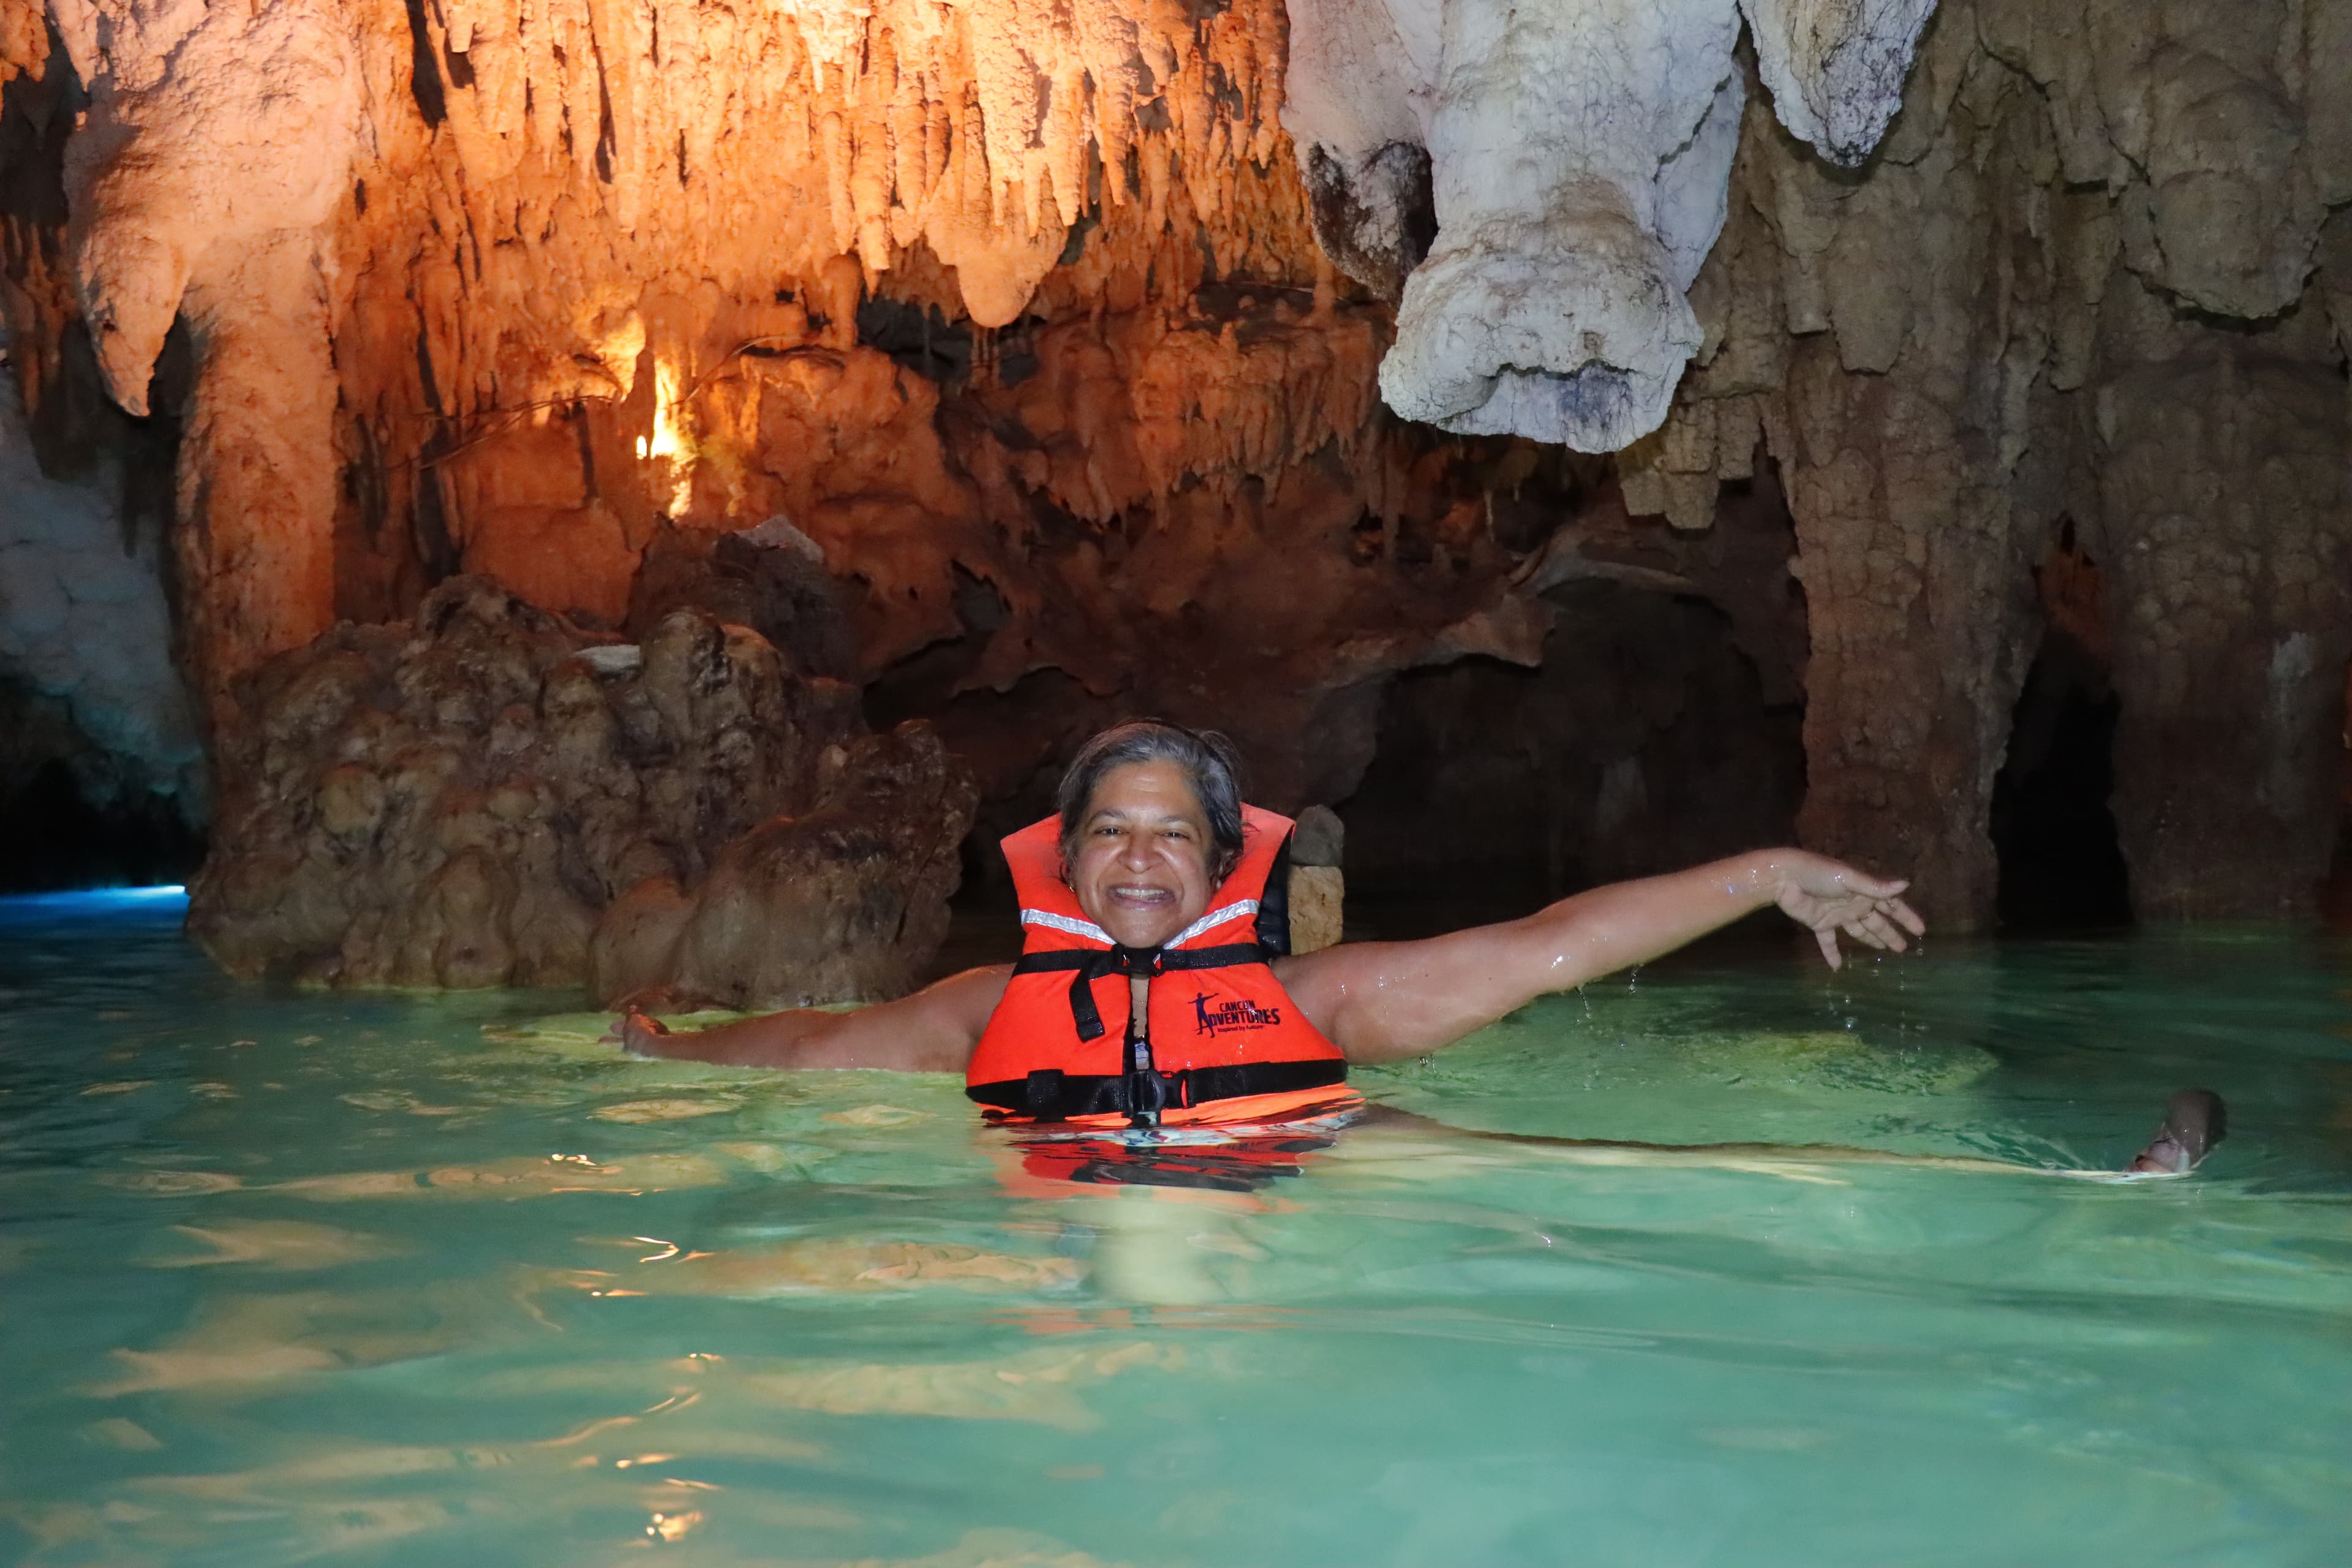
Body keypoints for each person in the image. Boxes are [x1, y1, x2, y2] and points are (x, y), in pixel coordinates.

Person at [620, 722, 2220, 1174]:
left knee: (1610, 1166)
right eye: (1110, 828)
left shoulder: (1311, 999)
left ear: (1220, 863)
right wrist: (664, 1054)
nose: (1139, 855)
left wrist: (1762, 871)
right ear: (1064, 856)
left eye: (1173, 829)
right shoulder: (987, 1010)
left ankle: (2076, 1190)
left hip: (1321, 1169)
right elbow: (810, 1053)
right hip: (1073, 1224)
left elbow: (1541, 950)